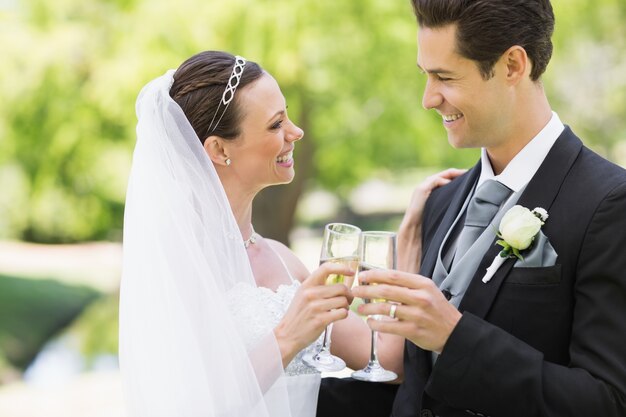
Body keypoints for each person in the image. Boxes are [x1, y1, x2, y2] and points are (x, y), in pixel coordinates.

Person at [320, 1, 626, 417]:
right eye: (425, 75)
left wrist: (454, 336)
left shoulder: (609, 203)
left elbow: (607, 402)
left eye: (444, 77)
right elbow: (414, 388)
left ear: (513, 65)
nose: (428, 99)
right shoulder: (440, 201)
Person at [120, 50, 424, 417]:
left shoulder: (283, 259)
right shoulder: (172, 268)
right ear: (218, 149)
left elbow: (390, 362)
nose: (296, 132)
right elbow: (184, 405)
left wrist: (409, 242)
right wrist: (288, 336)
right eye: (276, 124)